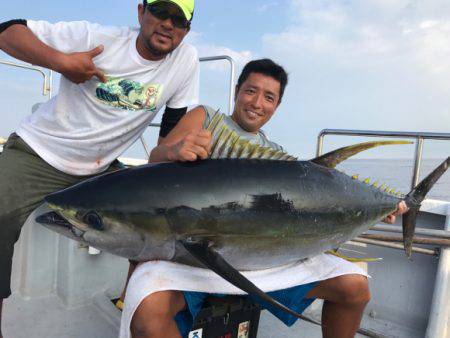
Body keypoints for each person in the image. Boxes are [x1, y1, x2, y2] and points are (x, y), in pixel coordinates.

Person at [120, 59, 408, 338]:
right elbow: (154, 162)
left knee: (355, 288)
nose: (257, 103)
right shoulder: (204, 117)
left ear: (276, 106)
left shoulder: (276, 156)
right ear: (236, 92)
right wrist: (174, 151)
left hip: (261, 259)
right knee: (147, 316)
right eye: (250, 91)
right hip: (194, 255)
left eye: (269, 97)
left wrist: (380, 208)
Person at [0, 1, 200, 337]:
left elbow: (170, 132)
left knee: (161, 223)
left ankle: (132, 310)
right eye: (161, 12)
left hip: (104, 167)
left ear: (187, 28)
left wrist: (174, 150)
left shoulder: (186, 61)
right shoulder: (96, 37)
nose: (169, 23)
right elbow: (7, 31)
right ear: (141, 12)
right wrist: (62, 62)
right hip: (40, 153)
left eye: (179, 19)